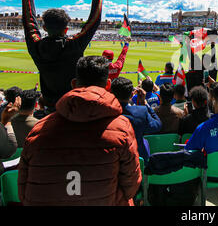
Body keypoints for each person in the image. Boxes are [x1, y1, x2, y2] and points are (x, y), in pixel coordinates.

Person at [18, 56, 141, 206]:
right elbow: (131, 185)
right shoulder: (122, 127)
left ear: (74, 84)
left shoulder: (39, 128)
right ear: (108, 85)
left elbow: (23, 191)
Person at [19, 0, 105, 110]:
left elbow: (29, 21)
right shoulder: (73, 45)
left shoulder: (37, 47)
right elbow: (93, 21)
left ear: (45, 28)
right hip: (74, 104)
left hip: (51, 106)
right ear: (66, 29)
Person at [110, 77, 162, 164]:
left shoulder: (104, 112)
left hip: (113, 161)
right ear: (131, 94)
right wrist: (145, 104)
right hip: (137, 159)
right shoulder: (141, 111)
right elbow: (157, 125)